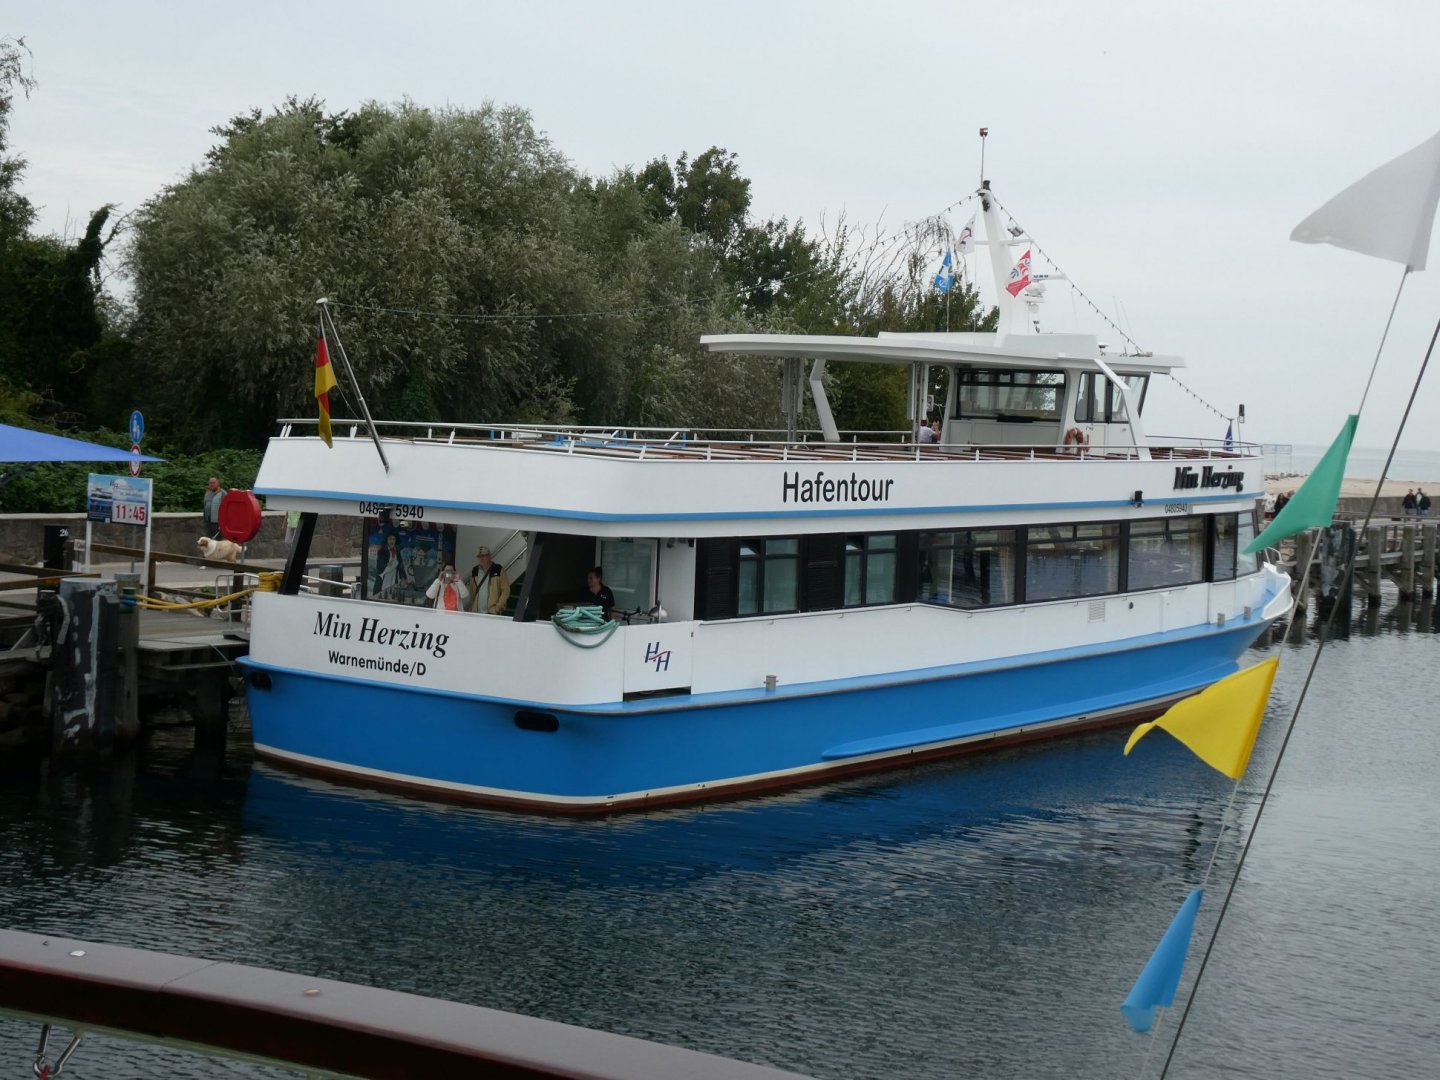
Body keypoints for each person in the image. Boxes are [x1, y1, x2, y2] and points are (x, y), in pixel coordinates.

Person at [468, 546, 511, 615]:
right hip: (476, 611)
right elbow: (472, 591)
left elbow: (506, 590)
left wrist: (498, 607)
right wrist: (472, 607)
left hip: (492, 611)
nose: (481, 559)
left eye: (484, 556)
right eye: (479, 556)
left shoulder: (498, 569)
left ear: (489, 556)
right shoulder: (475, 570)